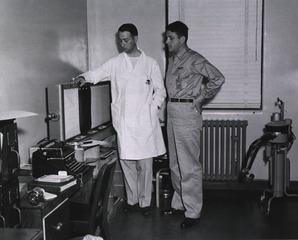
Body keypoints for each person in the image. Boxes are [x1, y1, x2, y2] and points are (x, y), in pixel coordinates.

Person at [72, 23, 166, 216]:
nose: (122, 44)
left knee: (145, 165)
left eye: (126, 40)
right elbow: (97, 73)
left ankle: (145, 202)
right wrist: (84, 77)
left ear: (135, 38)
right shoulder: (115, 62)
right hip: (125, 121)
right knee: (128, 163)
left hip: (145, 121)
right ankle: (132, 201)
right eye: (120, 40)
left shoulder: (150, 63)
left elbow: (160, 91)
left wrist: (153, 108)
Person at [162, 21, 225, 228]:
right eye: (166, 37)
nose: (167, 41)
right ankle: (179, 203)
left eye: (171, 38)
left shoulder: (194, 59)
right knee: (175, 163)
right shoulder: (172, 59)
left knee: (189, 165)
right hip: (172, 111)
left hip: (187, 113)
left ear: (182, 39)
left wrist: (201, 97)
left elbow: (217, 78)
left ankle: (193, 212)